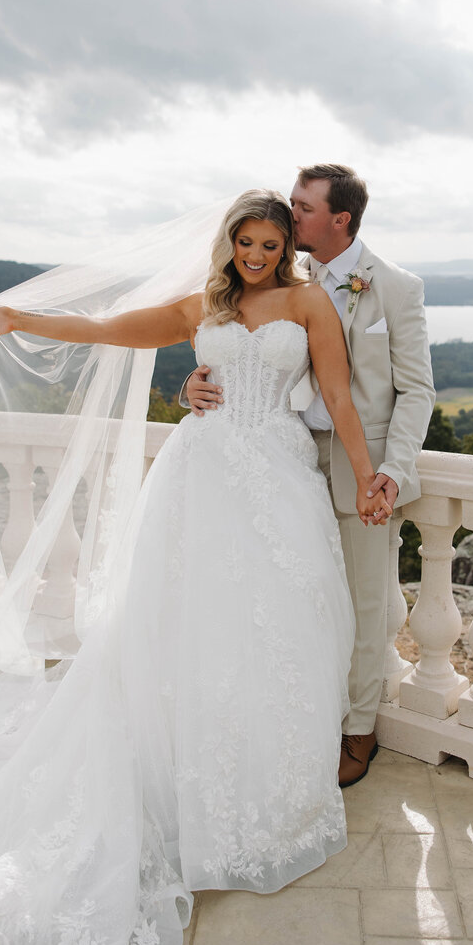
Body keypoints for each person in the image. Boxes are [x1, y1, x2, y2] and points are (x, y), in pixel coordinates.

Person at [0, 190, 390, 945]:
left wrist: (368, 477)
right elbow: (103, 332)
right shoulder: (203, 305)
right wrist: (18, 319)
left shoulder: (310, 305)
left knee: (280, 630)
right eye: (246, 243)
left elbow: (337, 394)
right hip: (202, 479)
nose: (257, 256)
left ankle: (265, 788)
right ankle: (182, 782)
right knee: (186, 627)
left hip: (279, 479)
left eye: (269, 243)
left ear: (286, 245)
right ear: (228, 241)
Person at [185, 166, 435, 788]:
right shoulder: (282, 276)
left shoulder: (395, 288)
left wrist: (390, 473)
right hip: (287, 452)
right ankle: (300, 718)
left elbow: (417, 391)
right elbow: (239, 350)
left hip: (361, 461)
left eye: (301, 208)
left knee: (365, 600)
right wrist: (194, 384)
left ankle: (359, 730)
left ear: (339, 219)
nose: (289, 217)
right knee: (290, 595)